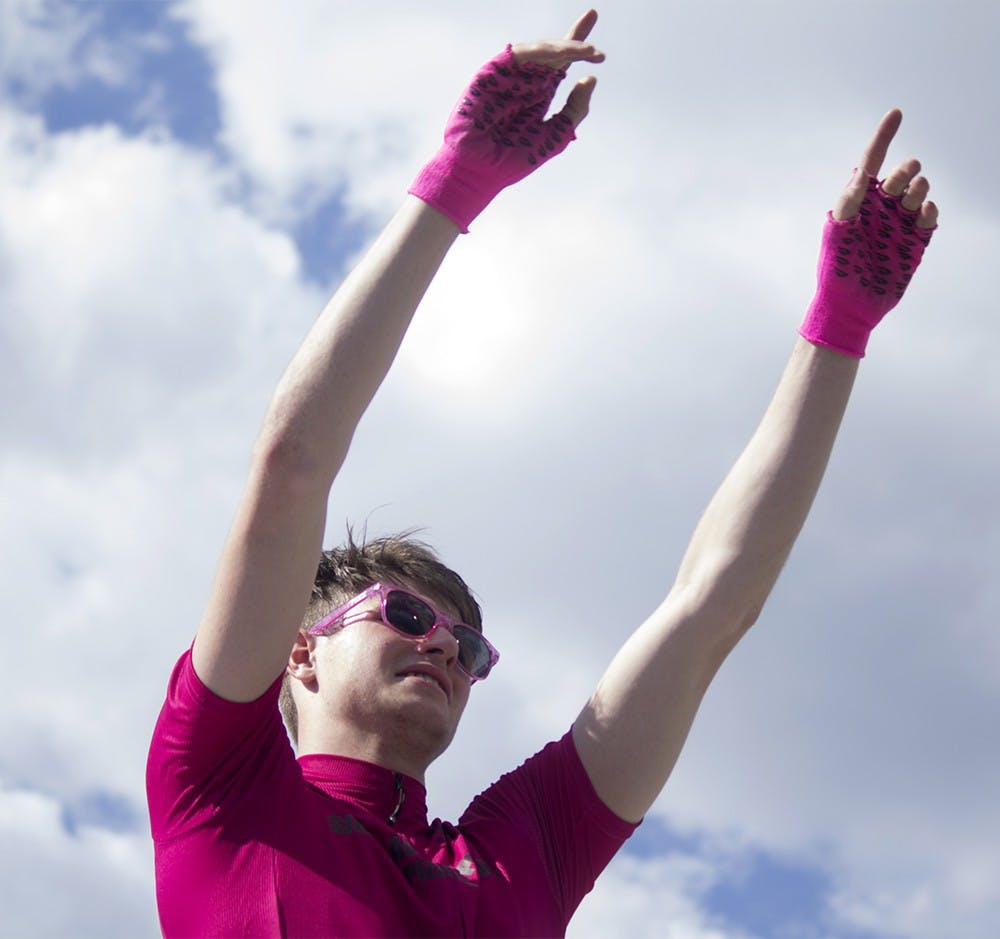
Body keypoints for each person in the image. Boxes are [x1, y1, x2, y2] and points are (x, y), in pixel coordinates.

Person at [146, 9, 938, 937]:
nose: (446, 646)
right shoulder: (218, 782)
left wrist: (840, 326)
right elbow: (291, 462)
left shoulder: (526, 850)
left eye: (469, 646)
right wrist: (458, 180)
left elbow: (710, 606)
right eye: (407, 614)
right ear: (300, 648)